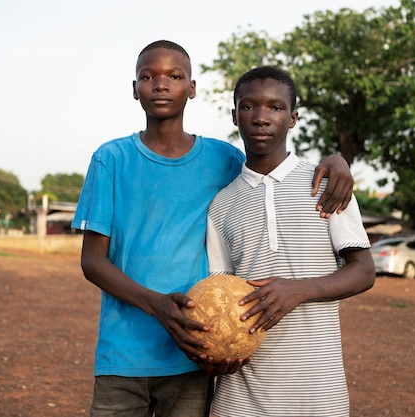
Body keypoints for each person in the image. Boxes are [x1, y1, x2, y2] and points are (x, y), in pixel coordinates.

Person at [71, 40, 356, 417]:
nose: (160, 84)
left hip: (194, 354)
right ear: (134, 88)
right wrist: (158, 305)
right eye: (148, 76)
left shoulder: (224, 159)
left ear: (192, 88)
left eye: (174, 76)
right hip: (123, 354)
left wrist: (336, 160)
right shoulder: (111, 158)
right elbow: (92, 261)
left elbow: (268, 169)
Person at [206, 66, 376, 417]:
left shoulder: (328, 184)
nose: (262, 117)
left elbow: (363, 271)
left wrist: (300, 289)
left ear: (293, 118)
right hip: (241, 395)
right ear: (234, 115)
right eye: (249, 106)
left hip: (317, 390)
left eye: (276, 107)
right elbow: (220, 292)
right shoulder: (220, 205)